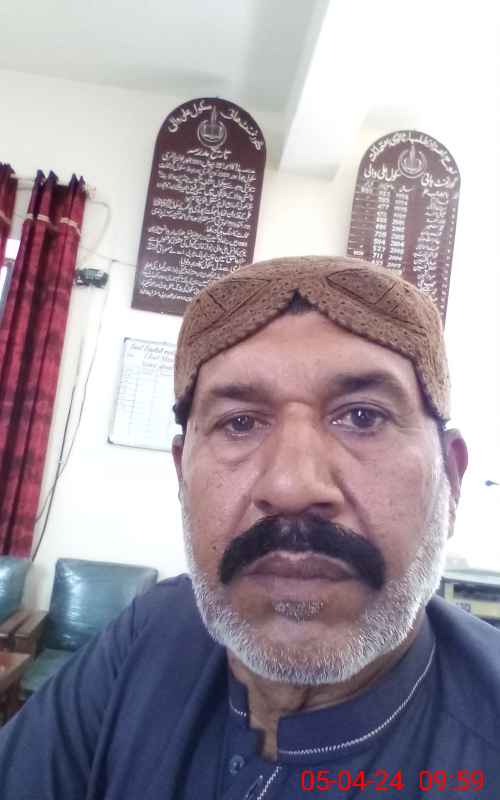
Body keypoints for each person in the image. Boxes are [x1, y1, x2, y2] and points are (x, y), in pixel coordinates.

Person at [0, 256, 499, 800]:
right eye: (239, 423)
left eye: (363, 416)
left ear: (451, 480)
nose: (291, 486)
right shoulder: (152, 632)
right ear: (181, 474)